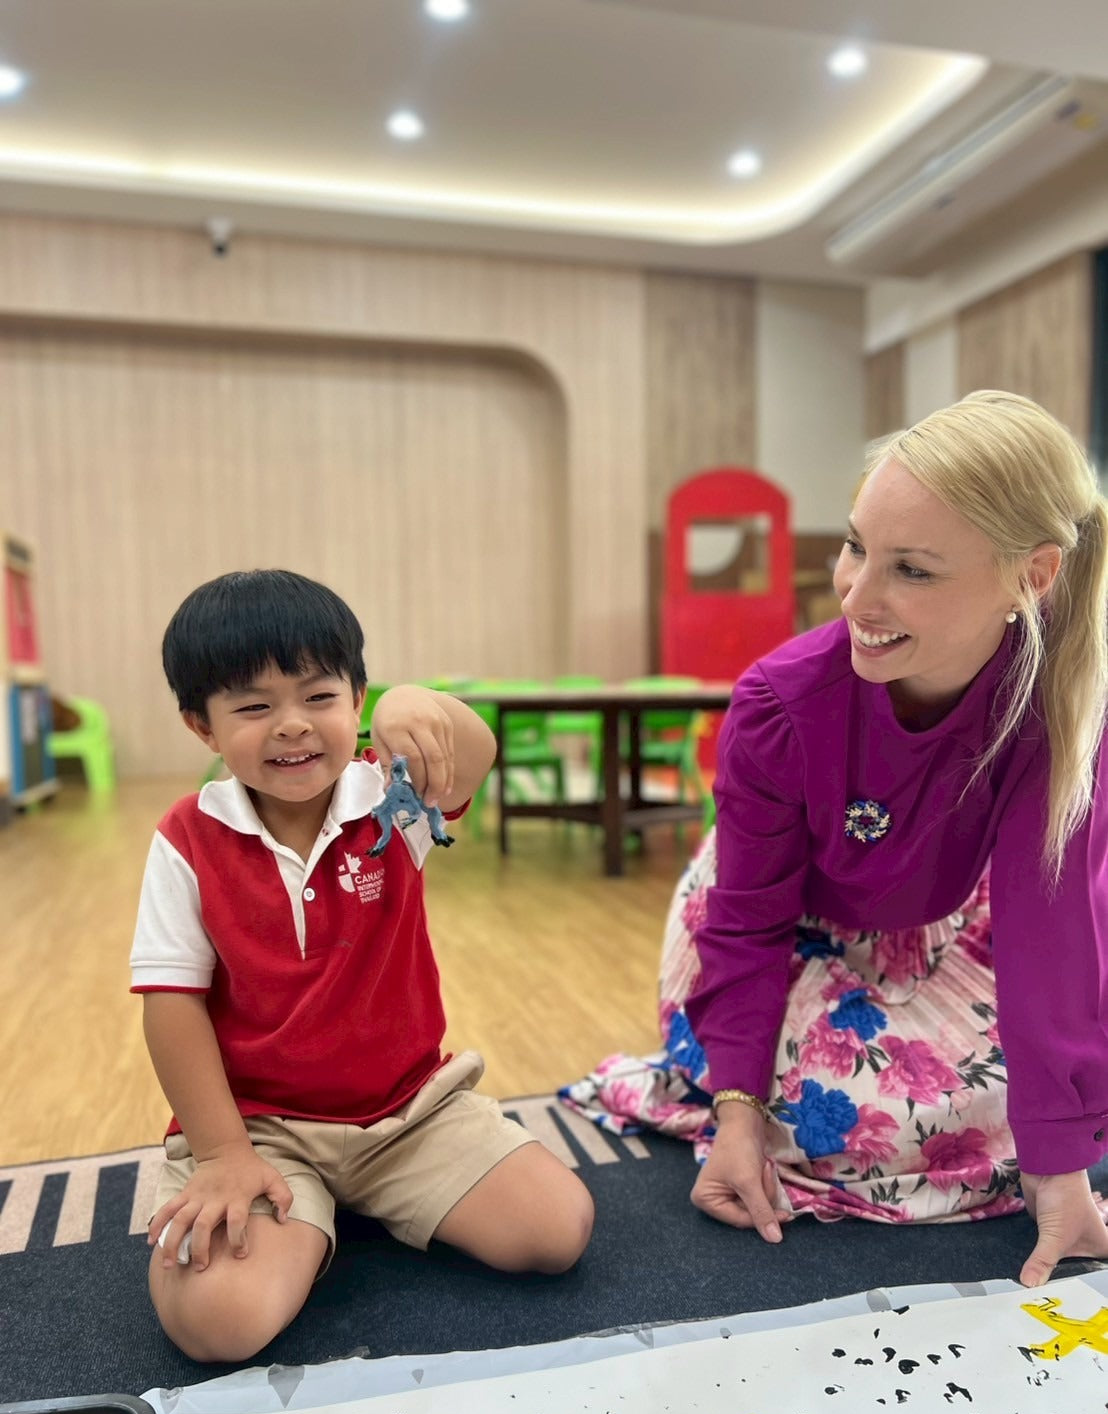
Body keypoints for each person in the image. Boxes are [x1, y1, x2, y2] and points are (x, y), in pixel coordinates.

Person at [562, 390, 1108, 1289]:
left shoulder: (1056, 700)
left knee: (1054, 1086)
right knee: (858, 1115)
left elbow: (1053, 932)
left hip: (935, 928)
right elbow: (747, 922)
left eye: (912, 570)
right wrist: (737, 1115)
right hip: (784, 933)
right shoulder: (780, 703)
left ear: (1033, 577)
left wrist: (1060, 1174)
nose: (856, 593)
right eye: (856, 546)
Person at [132, 569, 594, 1362]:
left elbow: (475, 753)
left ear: (356, 698)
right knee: (218, 1320)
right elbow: (170, 1003)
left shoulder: (392, 798)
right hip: (261, 1129)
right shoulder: (186, 838)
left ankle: (337, 1211)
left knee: (556, 1229)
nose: (292, 725)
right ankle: (306, 1209)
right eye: (253, 707)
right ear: (201, 725)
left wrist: (420, 702)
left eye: (319, 696)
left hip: (409, 1114)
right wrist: (223, 1153)